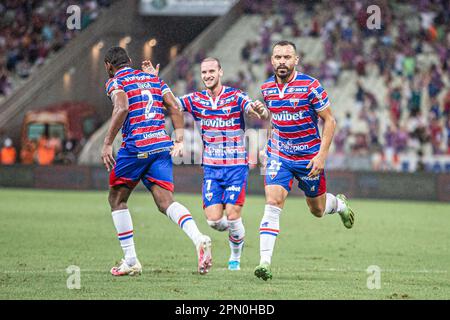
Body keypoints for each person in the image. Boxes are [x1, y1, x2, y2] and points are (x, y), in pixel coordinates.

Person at [142, 57, 268, 271]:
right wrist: (155, 82)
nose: (208, 75)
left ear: (220, 72)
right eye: (204, 72)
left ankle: (234, 257)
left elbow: (252, 108)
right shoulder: (196, 99)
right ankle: (237, 230)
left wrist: (260, 110)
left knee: (233, 214)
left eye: (212, 71)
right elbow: (171, 103)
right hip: (211, 168)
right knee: (213, 221)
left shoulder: (236, 96)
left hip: (236, 166)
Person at [102, 47, 212, 277]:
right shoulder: (153, 79)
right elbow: (174, 106)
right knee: (165, 202)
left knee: (117, 199)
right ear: (130, 60)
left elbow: (121, 107)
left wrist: (107, 143)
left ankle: (131, 260)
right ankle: (198, 238)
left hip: (136, 148)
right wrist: (179, 136)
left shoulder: (115, 82)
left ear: (108, 66)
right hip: (161, 146)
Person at [252, 41, 355, 281]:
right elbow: (275, 121)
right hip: (280, 155)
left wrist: (321, 156)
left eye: (287, 57)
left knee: (317, 210)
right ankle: (264, 263)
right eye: (277, 57)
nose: (282, 61)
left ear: (296, 60)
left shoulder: (311, 86)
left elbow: (330, 121)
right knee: (273, 201)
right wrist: (267, 147)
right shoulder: (267, 88)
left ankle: (338, 205)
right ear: (271, 60)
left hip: (309, 157)